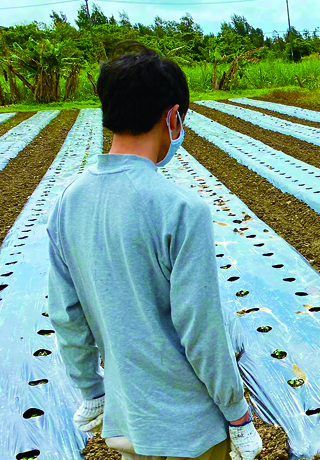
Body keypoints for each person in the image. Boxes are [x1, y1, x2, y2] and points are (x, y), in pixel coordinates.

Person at [47, 43, 262, 460]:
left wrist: (91, 390)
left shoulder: (68, 201)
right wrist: (237, 415)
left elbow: (66, 315)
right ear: (172, 117)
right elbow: (201, 327)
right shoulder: (180, 209)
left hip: (126, 420)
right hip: (190, 425)